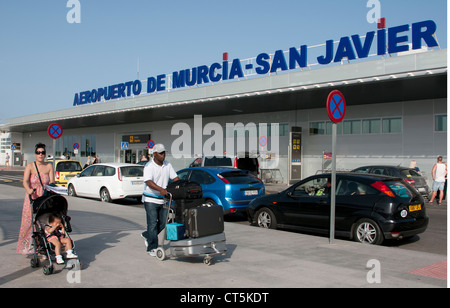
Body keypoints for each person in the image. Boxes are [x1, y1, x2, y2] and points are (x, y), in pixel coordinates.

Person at [141, 144, 179, 256]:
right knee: (152, 224)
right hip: (150, 199)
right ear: (155, 154)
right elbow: (148, 182)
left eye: (164, 153)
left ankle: (148, 235)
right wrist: (161, 189)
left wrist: (180, 185)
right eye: (161, 153)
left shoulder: (167, 165)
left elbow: (175, 178)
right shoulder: (149, 166)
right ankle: (152, 248)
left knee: (163, 223)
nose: (163, 155)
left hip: (162, 199)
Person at [17, 143, 55, 255]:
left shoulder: (49, 166)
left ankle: (43, 246)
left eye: (43, 152)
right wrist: (29, 189)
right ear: (35, 154)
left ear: (45, 154)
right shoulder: (30, 166)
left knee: (43, 222)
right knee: (29, 222)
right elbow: (25, 181)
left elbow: (52, 181)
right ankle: (27, 247)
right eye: (38, 152)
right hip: (32, 196)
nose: (40, 155)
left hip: (44, 197)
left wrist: (52, 189)